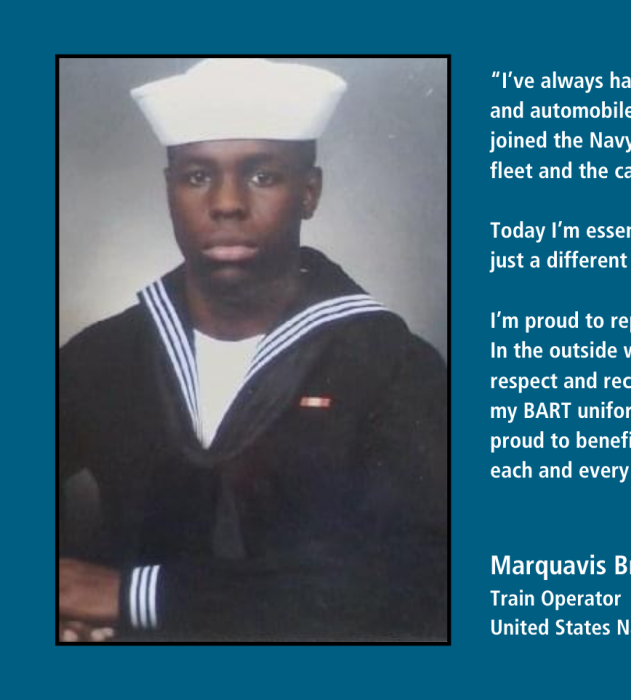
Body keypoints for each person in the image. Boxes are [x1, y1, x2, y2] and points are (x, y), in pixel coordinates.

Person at [58, 58, 448, 642]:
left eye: (262, 175)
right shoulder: (105, 355)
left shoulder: (392, 367)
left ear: (309, 192)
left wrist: (130, 596)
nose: (227, 203)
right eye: (197, 176)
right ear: (169, 191)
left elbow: (420, 580)